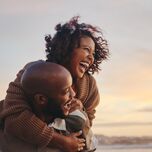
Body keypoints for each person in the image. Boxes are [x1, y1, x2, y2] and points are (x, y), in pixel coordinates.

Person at [0, 16, 109, 151]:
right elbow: (14, 117)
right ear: (67, 48)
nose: (91, 57)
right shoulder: (34, 71)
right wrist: (61, 141)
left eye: (93, 53)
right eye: (86, 49)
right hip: (20, 144)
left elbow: (87, 122)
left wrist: (81, 109)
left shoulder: (89, 85)